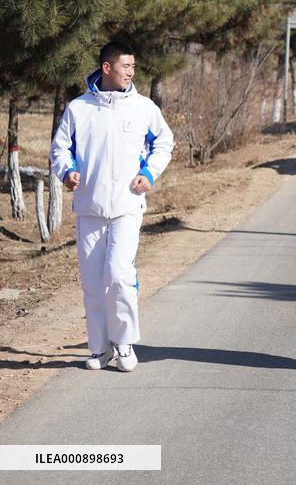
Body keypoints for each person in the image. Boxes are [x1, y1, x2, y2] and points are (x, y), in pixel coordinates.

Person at [50, 41, 174, 372]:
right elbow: (60, 148)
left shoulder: (144, 107)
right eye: (126, 66)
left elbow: (165, 142)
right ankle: (100, 348)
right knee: (93, 282)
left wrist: (149, 173)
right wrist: (68, 171)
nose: (131, 72)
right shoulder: (79, 108)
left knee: (119, 275)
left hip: (127, 205)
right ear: (107, 68)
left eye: (134, 67)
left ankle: (124, 342)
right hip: (89, 207)